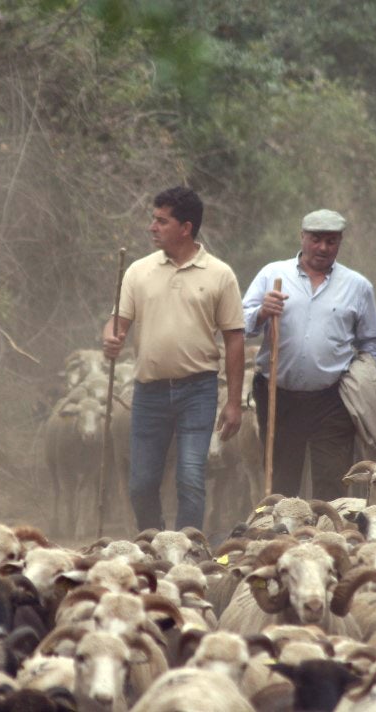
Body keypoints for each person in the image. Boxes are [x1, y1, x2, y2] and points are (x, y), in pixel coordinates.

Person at [102, 186, 245, 532]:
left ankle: (188, 549)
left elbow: (235, 338)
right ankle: (154, 542)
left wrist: (235, 403)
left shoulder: (220, 274)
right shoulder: (138, 271)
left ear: (186, 227)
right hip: (149, 391)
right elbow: (118, 321)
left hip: (198, 389)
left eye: (161, 221)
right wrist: (111, 337)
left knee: (191, 476)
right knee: (141, 484)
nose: (152, 227)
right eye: (154, 220)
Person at [241, 208, 376, 500]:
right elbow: (240, 326)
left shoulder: (357, 286)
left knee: (333, 477)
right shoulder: (273, 274)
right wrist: (261, 312)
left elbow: (373, 342)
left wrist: (364, 380)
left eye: (331, 241)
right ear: (302, 237)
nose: (323, 247)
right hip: (278, 394)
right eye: (316, 239)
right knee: (281, 478)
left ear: (340, 243)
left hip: (332, 397)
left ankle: (330, 537)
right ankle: (281, 539)